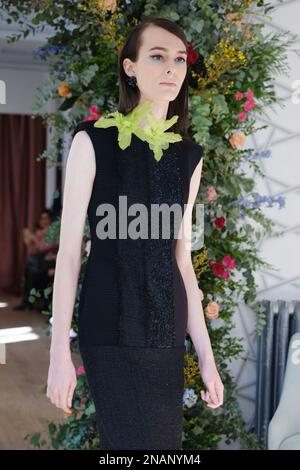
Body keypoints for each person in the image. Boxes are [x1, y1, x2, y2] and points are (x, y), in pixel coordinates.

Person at [46, 17, 224, 450]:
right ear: (130, 67)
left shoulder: (190, 157)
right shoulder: (92, 142)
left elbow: (182, 261)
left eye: (179, 59)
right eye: (158, 56)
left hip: (166, 331)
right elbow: (69, 254)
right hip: (107, 326)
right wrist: (57, 352)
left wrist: (206, 356)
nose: (171, 69)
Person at [14, 209, 58, 310]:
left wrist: (33, 238)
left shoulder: (53, 231)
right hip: (40, 262)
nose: (43, 220)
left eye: (45, 218)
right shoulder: (38, 232)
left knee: (30, 265)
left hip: (50, 261)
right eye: (41, 218)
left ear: (50, 219)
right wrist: (28, 240)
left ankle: (27, 302)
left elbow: (44, 247)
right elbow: (33, 251)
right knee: (30, 271)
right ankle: (27, 302)